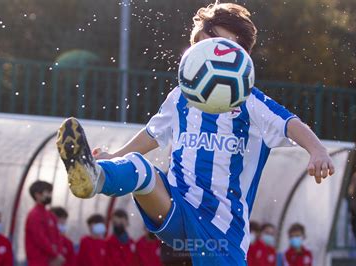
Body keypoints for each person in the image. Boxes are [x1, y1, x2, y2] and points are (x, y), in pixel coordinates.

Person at [55, 2, 334, 265]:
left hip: (222, 232)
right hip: (177, 209)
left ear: (239, 54)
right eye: (200, 44)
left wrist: (317, 150)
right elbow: (152, 134)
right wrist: (114, 156)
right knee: (139, 168)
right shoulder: (180, 97)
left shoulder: (249, 100)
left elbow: (290, 123)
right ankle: (94, 176)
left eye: (216, 44)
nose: (206, 50)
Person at [25, 181, 65, 266]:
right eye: (47, 192)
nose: (50, 195)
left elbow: (58, 237)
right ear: (37, 195)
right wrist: (55, 254)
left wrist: (58, 255)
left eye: (51, 192)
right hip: (39, 262)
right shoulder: (34, 215)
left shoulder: (51, 216)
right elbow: (40, 239)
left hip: (53, 261)